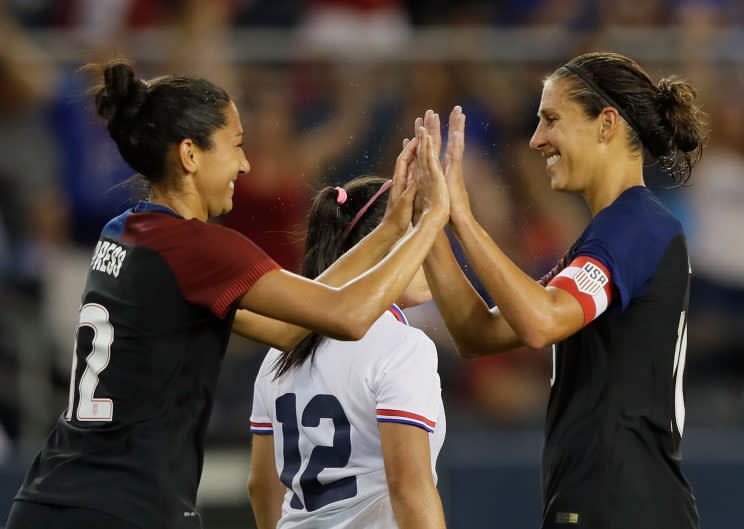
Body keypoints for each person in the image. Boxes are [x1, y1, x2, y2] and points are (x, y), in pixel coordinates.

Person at [6, 60, 449, 529]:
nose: (245, 163)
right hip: (125, 506)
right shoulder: (201, 248)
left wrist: (390, 229)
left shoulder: (124, 233)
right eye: (236, 145)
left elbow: (287, 329)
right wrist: (430, 221)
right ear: (190, 154)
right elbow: (349, 316)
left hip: (49, 497)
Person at [422, 52, 707, 529]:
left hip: (623, 505)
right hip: (613, 502)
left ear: (606, 123)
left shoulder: (635, 226)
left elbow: (540, 322)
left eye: (551, 119)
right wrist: (431, 224)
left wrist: (465, 219)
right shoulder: (609, 236)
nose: (536, 140)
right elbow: (478, 334)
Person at [247, 176, 447, 529]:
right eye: (420, 238)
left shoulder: (279, 353)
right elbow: (409, 489)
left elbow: (262, 488)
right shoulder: (403, 348)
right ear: (391, 247)